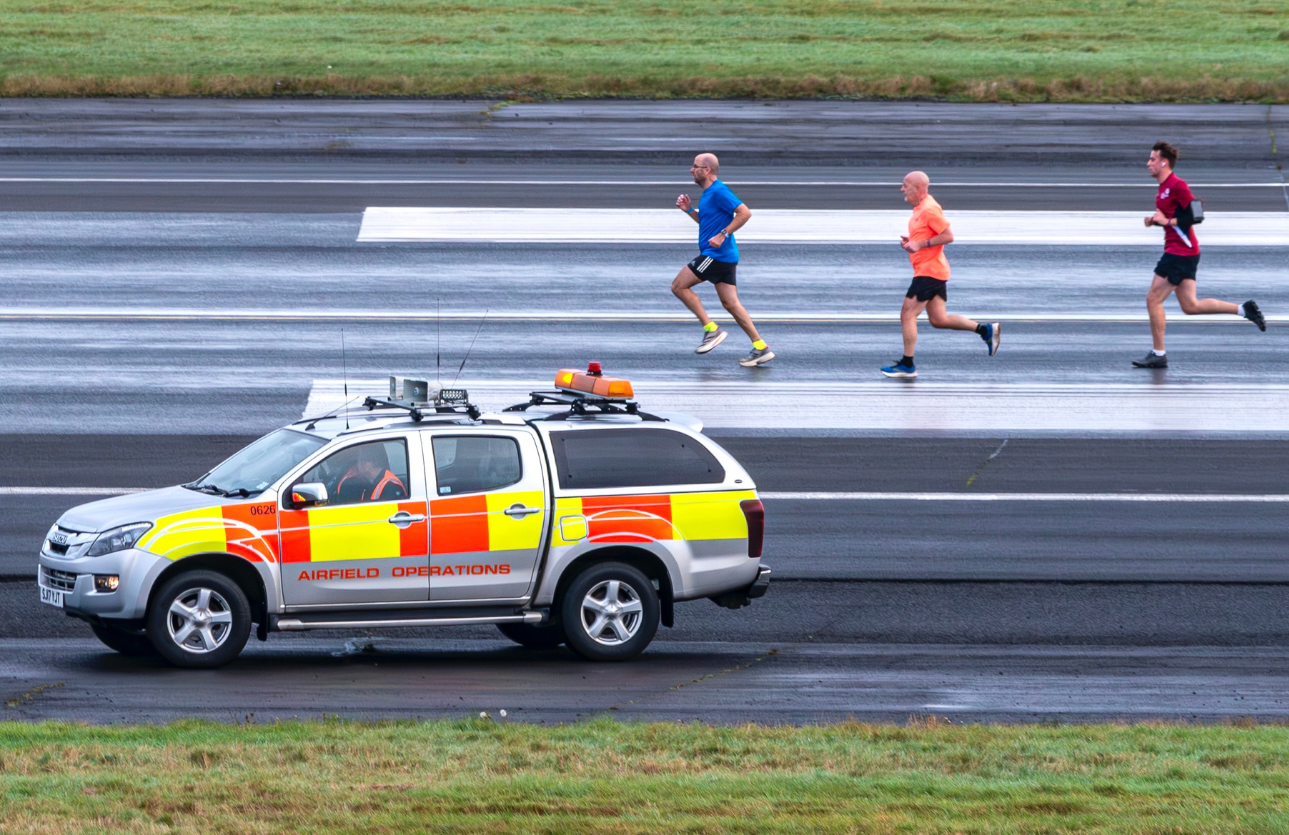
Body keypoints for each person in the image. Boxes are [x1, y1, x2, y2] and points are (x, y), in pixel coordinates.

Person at [1132, 141, 1265, 368]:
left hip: (1180, 253)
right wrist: (1155, 221)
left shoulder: (1177, 185)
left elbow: (1197, 216)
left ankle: (1158, 353)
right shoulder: (1162, 190)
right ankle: (1245, 309)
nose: (1148, 163)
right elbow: (1172, 222)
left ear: (1164, 162)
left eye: (1153, 159)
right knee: (1190, 306)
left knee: (1152, 299)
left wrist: (1167, 220)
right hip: (1183, 252)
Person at [880, 171, 999, 379]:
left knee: (907, 314)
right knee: (938, 319)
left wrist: (920, 243)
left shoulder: (929, 209)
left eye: (905, 185)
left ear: (918, 188)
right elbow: (928, 235)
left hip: (929, 272)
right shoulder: (920, 208)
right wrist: (912, 241)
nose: (901, 189)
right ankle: (985, 330)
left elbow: (948, 236)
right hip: (933, 270)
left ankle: (907, 365)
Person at [672, 153, 774, 367]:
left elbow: (744, 213)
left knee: (679, 286)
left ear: (707, 170)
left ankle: (711, 330)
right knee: (731, 304)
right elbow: (708, 222)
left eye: (695, 166)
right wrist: (689, 210)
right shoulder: (709, 193)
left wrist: (723, 234)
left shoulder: (719, 191)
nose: (691, 170)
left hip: (716, 255)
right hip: (726, 256)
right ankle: (760, 347)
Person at [335, 445, 407, 504]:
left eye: (359, 461)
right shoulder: (371, 483)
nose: (357, 466)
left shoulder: (390, 486)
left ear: (366, 464)